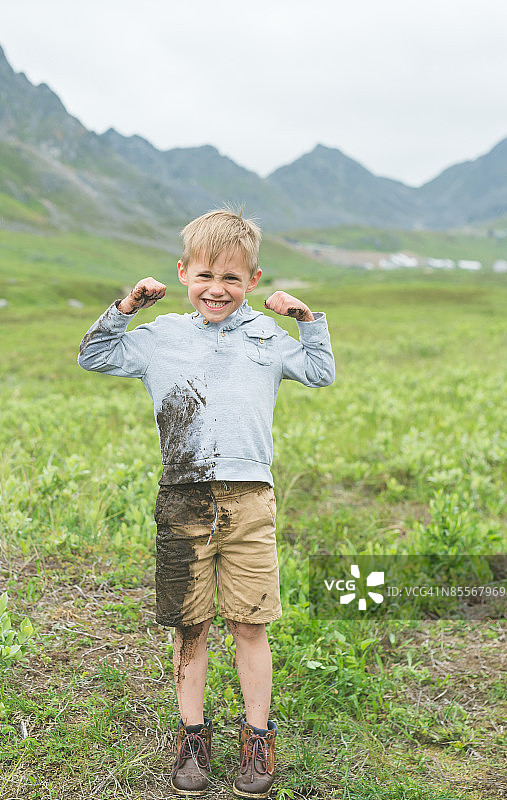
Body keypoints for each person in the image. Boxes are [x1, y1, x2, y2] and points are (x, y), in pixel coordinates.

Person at [78, 209, 335, 798]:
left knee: (249, 622)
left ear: (253, 278)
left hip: (250, 500)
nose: (216, 290)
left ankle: (257, 735)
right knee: (189, 624)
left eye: (232, 279)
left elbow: (320, 371)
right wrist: (127, 308)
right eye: (204, 276)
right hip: (183, 498)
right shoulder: (160, 336)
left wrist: (306, 319)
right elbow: (94, 356)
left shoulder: (268, 339)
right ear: (183, 273)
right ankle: (192, 735)